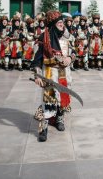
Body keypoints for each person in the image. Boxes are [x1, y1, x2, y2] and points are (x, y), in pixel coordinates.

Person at [32, 10, 75, 142]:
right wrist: (38, 76)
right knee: (48, 100)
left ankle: (59, 119)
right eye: (59, 22)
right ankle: (43, 127)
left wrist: (69, 58)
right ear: (52, 24)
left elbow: (74, 51)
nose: (62, 25)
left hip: (64, 73)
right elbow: (37, 59)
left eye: (63, 22)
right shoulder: (43, 39)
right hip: (50, 73)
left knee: (62, 98)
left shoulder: (67, 36)